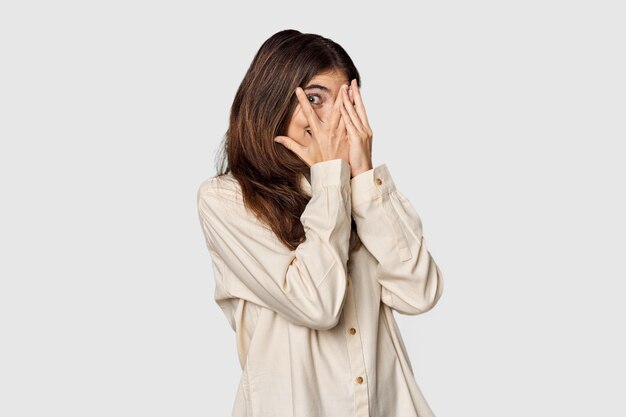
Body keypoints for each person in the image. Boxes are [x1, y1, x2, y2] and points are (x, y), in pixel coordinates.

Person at [196, 29, 444, 417]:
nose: (330, 119)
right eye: (313, 99)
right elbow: (316, 304)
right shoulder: (226, 199)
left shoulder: (357, 192)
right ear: (271, 101)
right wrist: (333, 182)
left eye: (344, 101)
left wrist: (362, 175)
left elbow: (419, 291)